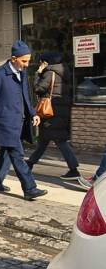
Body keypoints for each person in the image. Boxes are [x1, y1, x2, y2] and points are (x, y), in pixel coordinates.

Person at [0, 41, 48, 200]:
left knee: (6, 152)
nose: (26, 65)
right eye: (23, 61)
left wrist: (33, 113)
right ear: (13, 58)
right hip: (5, 122)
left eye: (28, 61)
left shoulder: (22, 74)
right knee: (17, 155)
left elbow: (26, 96)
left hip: (19, 120)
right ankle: (30, 188)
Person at [26, 51, 81, 180]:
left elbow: (38, 89)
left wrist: (37, 74)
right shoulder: (63, 72)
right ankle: (29, 163)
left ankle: (74, 169)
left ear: (46, 62)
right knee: (44, 140)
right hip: (59, 112)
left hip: (51, 113)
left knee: (59, 141)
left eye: (41, 61)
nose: (40, 64)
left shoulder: (50, 73)